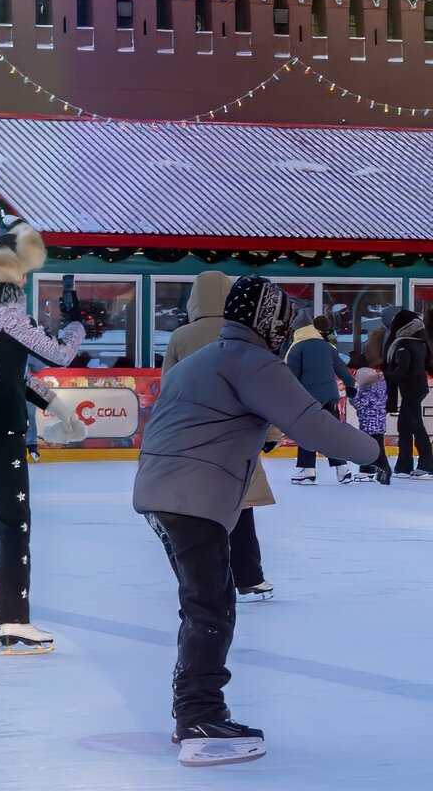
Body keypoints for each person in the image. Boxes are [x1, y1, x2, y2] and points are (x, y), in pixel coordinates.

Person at [133, 275, 388, 767]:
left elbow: (209, 418)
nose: (285, 328)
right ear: (265, 320)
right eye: (282, 319)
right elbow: (311, 422)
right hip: (193, 494)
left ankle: (192, 710)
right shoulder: (252, 361)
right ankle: (199, 716)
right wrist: (371, 450)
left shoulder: (206, 359)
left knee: (203, 603)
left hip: (160, 491)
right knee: (211, 607)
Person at [0, 222, 85, 651]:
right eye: (21, 271)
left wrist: (57, 408)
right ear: (6, 273)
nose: (25, 278)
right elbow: (58, 354)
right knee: (14, 522)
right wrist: (76, 327)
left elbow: (13, 376)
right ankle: (13, 618)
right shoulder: (8, 314)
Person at [161, 270, 278, 603]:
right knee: (240, 511)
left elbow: (169, 389)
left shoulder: (181, 338)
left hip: (192, 439)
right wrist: (270, 432)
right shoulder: (247, 334)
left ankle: (202, 578)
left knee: (198, 514)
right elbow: (266, 387)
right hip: (238, 436)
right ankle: (250, 578)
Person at [286, 313, 357, 484]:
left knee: (306, 433)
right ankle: (343, 470)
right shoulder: (327, 347)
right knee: (332, 433)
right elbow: (342, 369)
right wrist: (350, 386)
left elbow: (291, 376)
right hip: (330, 397)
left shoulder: (297, 348)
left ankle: (308, 471)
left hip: (308, 398)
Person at [382, 309, 433, 478]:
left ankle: (427, 463)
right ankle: (404, 465)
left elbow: (403, 369)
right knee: (404, 426)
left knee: (415, 425)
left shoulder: (403, 344)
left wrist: (386, 377)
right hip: (417, 388)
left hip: (411, 389)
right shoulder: (420, 342)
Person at [347, 350, 389, 481]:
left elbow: (360, 404)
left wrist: (352, 396)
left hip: (369, 426)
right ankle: (370, 469)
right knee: (376, 449)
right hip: (378, 424)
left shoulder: (367, 390)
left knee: (371, 450)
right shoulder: (380, 387)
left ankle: (375, 469)